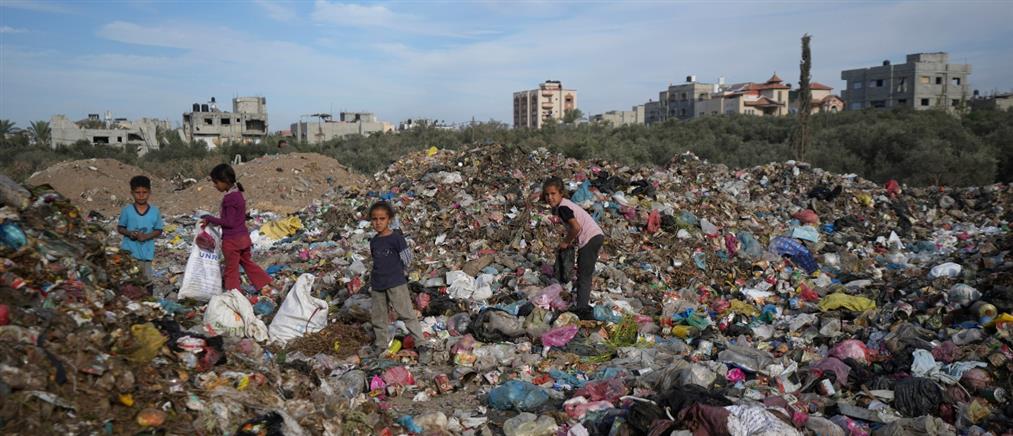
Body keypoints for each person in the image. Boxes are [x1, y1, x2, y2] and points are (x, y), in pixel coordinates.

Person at [201, 164, 275, 294]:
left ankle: (234, 296)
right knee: (247, 263)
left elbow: (229, 222)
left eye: (216, 182)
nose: (215, 186)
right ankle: (266, 283)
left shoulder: (229, 198)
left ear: (225, 181)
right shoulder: (238, 194)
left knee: (231, 271)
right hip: (244, 238)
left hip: (232, 241)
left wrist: (209, 218)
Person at [542, 176, 604, 320]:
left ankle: (581, 310)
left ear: (561, 193)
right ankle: (582, 305)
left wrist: (566, 242)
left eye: (553, 194)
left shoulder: (563, 207)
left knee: (584, 276)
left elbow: (576, 227)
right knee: (584, 273)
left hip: (591, 238)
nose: (550, 198)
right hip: (594, 236)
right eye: (547, 194)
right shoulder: (565, 205)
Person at [367, 201, 425, 351]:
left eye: (382, 219)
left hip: (396, 282)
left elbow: (407, 258)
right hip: (378, 284)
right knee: (379, 317)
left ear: (389, 219)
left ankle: (420, 343)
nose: (378, 222)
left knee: (407, 313)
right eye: (374, 219)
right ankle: (381, 345)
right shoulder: (374, 241)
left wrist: (398, 271)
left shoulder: (396, 238)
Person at [117, 175, 164, 284]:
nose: (141, 196)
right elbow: (120, 228)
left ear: (149, 192)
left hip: (146, 252)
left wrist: (146, 236)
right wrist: (129, 233)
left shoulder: (155, 211)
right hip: (129, 252)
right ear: (132, 193)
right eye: (138, 192)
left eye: (144, 192)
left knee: (146, 281)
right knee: (129, 280)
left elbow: (158, 230)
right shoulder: (127, 210)